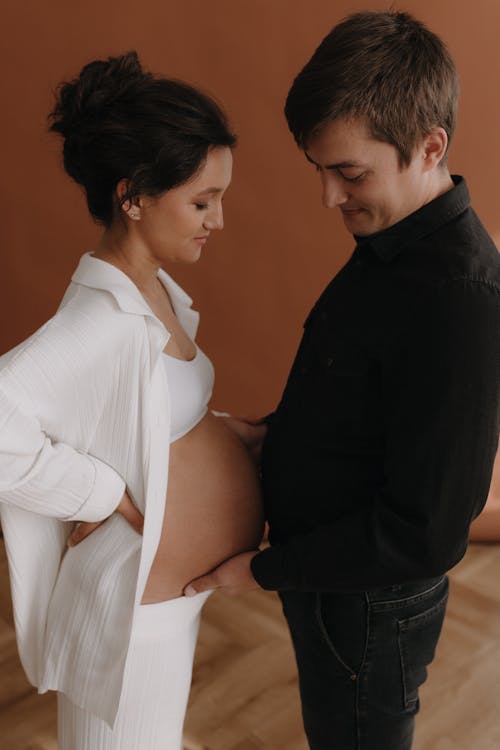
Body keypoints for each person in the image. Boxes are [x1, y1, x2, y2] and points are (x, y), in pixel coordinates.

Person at [185, 11, 500, 749]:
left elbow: (427, 533)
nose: (329, 198)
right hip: (333, 584)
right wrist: (269, 434)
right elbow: (364, 396)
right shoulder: (392, 236)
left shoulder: (461, 297)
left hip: (368, 610)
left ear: (430, 148)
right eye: (319, 171)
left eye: (349, 173)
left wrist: (261, 572)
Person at [0, 51, 265, 749]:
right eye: (202, 201)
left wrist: (219, 435)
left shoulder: (151, 294)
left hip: (174, 600)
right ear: (134, 195)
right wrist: (100, 493)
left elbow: (145, 411)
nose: (219, 219)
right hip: (133, 613)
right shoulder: (96, 320)